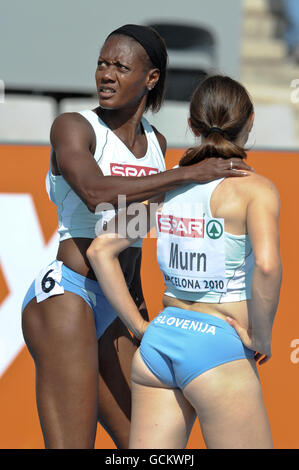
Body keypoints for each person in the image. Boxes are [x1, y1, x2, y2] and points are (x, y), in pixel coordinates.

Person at [21, 25, 252, 449]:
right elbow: (95, 194)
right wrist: (187, 173)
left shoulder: (156, 143)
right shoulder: (74, 127)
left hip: (118, 300)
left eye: (121, 67)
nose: (106, 74)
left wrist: (141, 311)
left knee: (148, 446)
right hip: (67, 295)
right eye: (102, 64)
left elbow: (133, 235)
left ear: (151, 78)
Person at [87, 74, 282, 449]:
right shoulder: (254, 189)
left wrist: (142, 328)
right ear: (251, 120)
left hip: (160, 345)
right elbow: (268, 266)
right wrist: (262, 336)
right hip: (217, 350)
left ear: (192, 125)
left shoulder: (170, 189)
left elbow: (101, 250)